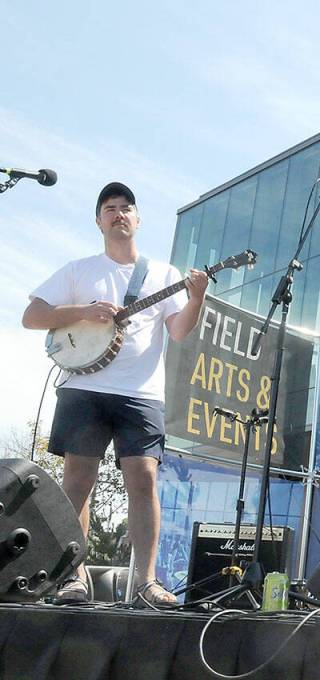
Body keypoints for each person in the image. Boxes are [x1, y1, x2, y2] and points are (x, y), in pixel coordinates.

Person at [23, 182, 209, 605]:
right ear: (99, 220)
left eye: (127, 207)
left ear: (138, 219)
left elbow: (179, 331)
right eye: (110, 208)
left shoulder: (163, 274)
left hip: (141, 394)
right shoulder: (79, 269)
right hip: (84, 388)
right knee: (78, 482)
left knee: (143, 480)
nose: (119, 213)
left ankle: (145, 581)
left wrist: (196, 299)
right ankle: (73, 577)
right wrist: (83, 312)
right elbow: (32, 316)